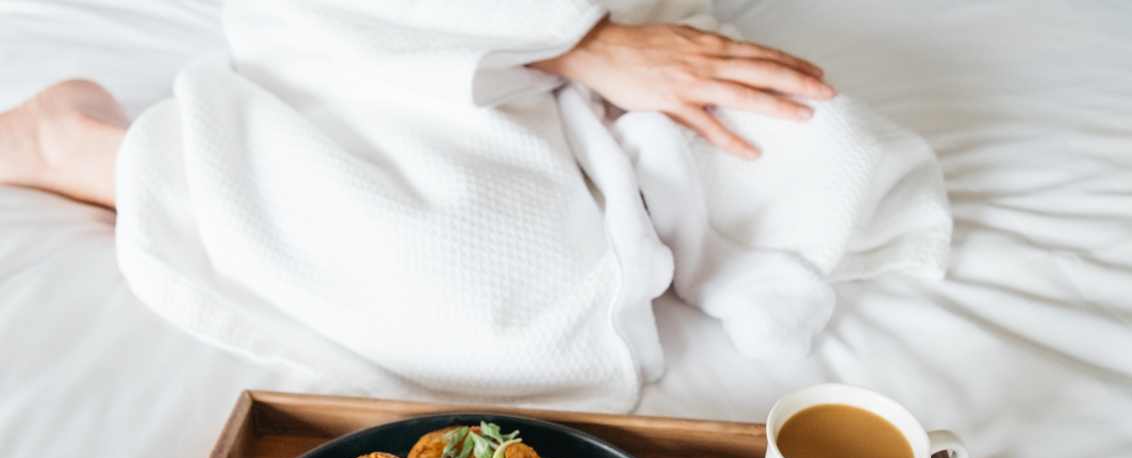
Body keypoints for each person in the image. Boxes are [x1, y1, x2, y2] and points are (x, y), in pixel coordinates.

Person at [0, 18, 833, 209]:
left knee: (827, 143)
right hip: (409, 25)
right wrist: (567, 39)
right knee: (490, 294)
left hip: (603, 32)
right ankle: (91, 149)